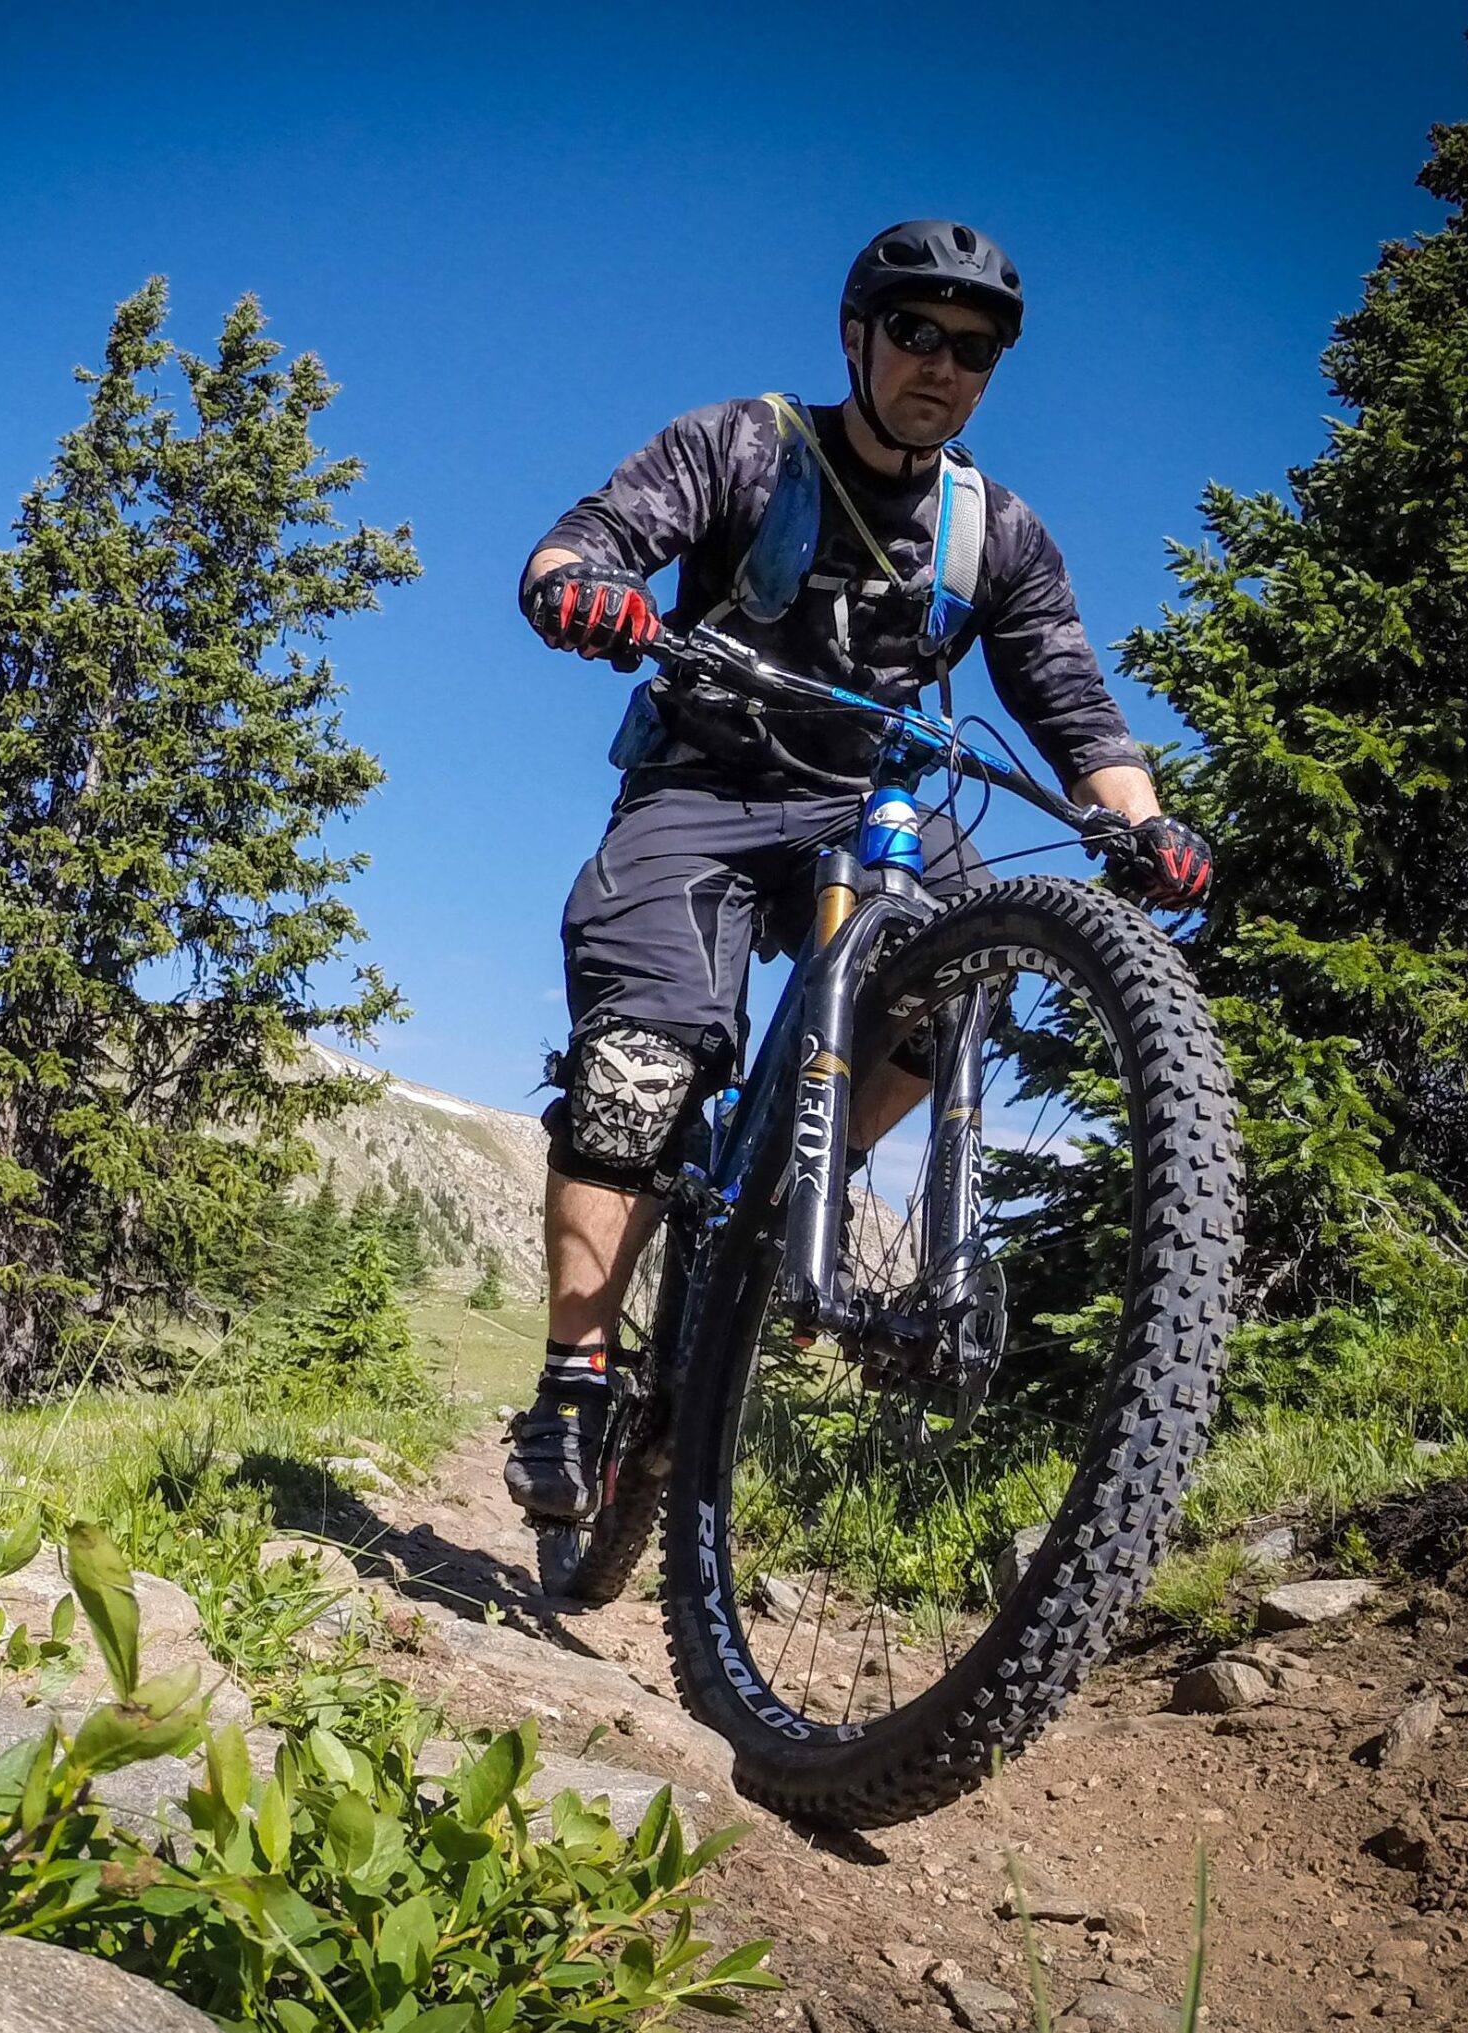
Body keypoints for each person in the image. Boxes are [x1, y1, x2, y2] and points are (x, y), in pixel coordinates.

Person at [505, 218, 1214, 1521]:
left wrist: (1141, 823)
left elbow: (1070, 702)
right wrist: (583, 588)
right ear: (858, 336)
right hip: (707, 778)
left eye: (977, 348)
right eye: (917, 333)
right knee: (636, 1072)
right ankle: (578, 1373)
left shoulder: (993, 530)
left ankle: (784, 1189)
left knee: (962, 969)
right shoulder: (748, 444)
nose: (944, 364)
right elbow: (594, 536)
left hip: (870, 798)